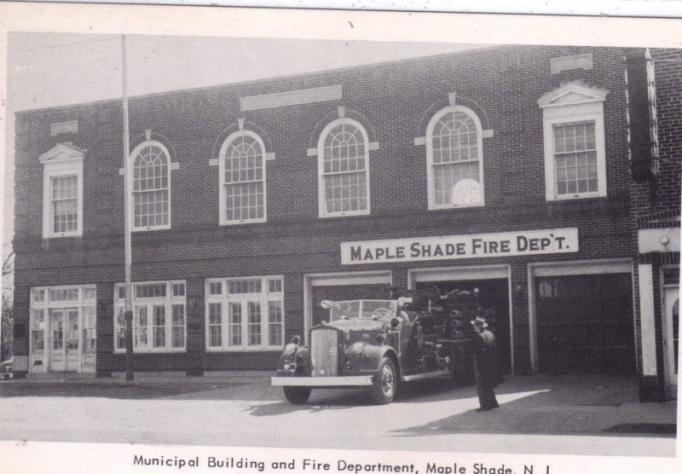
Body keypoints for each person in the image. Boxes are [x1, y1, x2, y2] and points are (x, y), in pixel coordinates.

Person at [471, 316, 499, 411]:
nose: (474, 327)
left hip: (482, 364)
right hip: (490, 363)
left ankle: (484, 405)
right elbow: (495, 349)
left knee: (481, 386)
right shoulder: (491, 334)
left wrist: (477, 365)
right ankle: (493, 402)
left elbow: (479, 353)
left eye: (474, 326)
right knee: (489, 384)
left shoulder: (479, 336)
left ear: (478, 326)